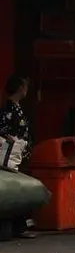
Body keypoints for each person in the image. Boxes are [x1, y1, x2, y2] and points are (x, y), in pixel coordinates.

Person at [0, 74, 35, 239]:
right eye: (25, 86)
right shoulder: (8, 108)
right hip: (11, 155)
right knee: (16, 188)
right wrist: (12, 140)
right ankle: (19, 226)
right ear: (20, 87)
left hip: (19, 154)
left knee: (20, 188)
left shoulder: (17, 107)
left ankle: (20, 226)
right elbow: (3, 129)